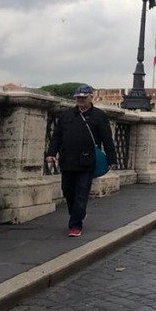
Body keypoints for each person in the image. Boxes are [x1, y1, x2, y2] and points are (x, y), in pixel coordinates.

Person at [45, 85, 117, 237]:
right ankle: (77, 213)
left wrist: (112, 158)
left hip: (87, 161)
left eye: (83, 98)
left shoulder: (99, 116)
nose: (80, 100)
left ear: (91, 98)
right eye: (78, 98)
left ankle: (75, 225)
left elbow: (107, 139)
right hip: (67, 160)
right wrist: (51, 153)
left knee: (81, 193)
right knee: (68, 190)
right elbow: (57, 136)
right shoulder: (66, 116)